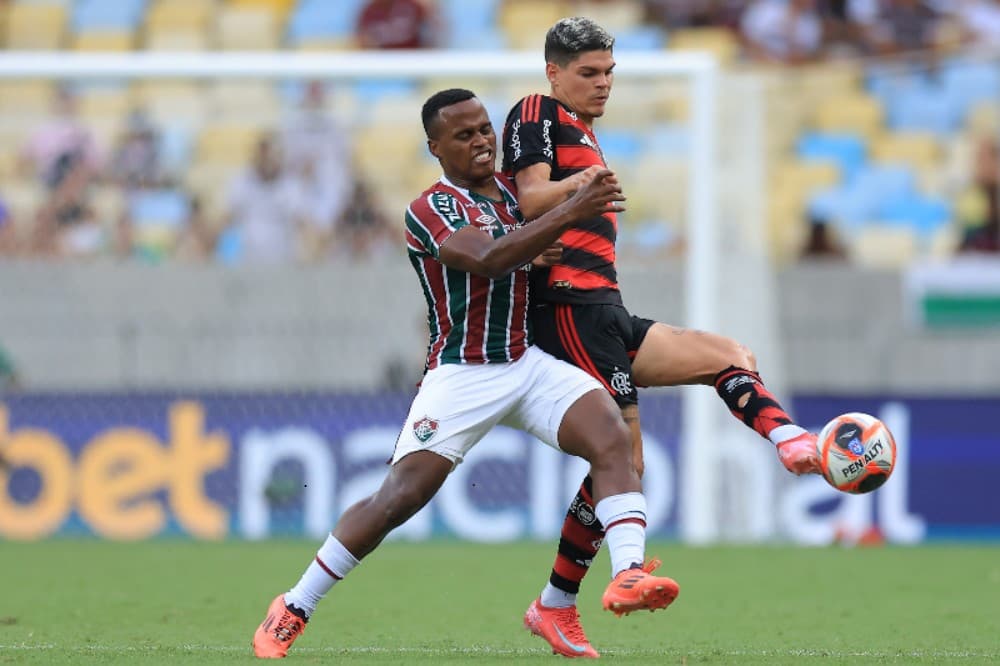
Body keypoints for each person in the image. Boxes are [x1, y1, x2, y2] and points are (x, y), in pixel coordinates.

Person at [251, 88, 680, 659]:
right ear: (435, 147)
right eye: (464, 135)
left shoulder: (514, 191)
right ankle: (294, 605)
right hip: (464, 373)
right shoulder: (431, 209)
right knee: (398, 499)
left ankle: (618, 577)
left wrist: (564, 220)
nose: (481, 141)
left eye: (484, 129)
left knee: (613, 437)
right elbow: (485, 258)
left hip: (526, 362)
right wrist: (568, 211)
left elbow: (533, 242)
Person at [500, 17, 822, 659]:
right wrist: (581, 188)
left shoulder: (585, 133)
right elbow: (532, 197)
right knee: (624, 454)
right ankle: (609, 582)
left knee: (729, 355)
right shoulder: (535, 111)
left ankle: (792, 442)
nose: (602, 84)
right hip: (567, 309)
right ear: (553, 71)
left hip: (607, 306)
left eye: (608, 73)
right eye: (588, 73)